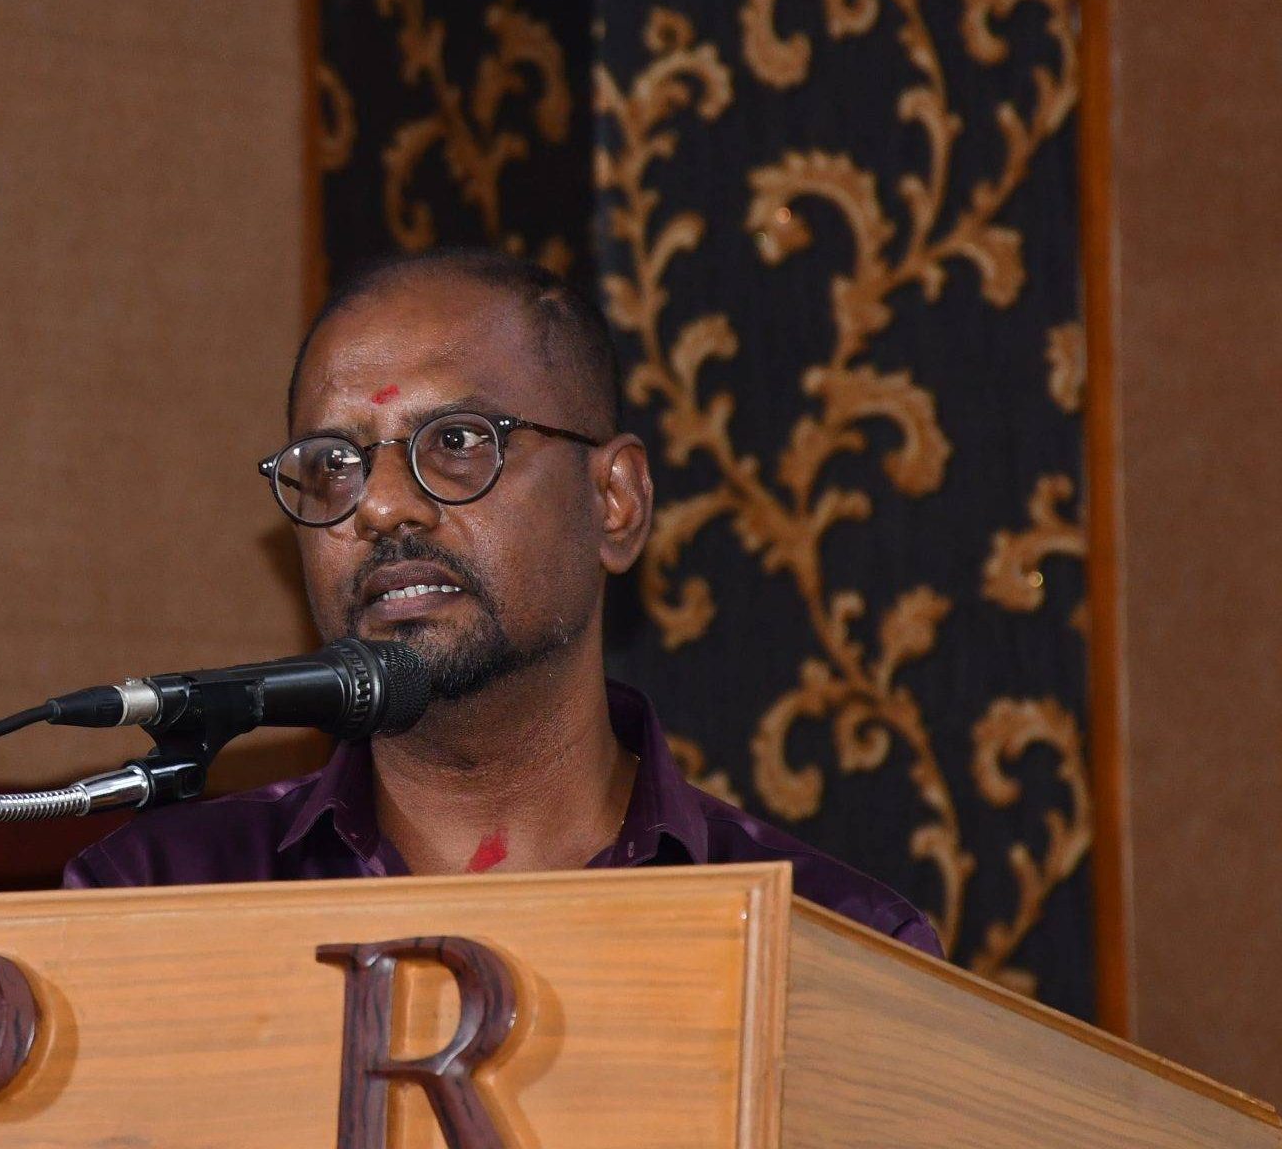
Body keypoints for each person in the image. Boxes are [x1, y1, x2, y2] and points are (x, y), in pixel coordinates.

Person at [63, 248, 940, 956]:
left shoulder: (835, 945)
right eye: (332, 463)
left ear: (615, 501)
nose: (381, 507)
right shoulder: (153, 902)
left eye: (457, 441)